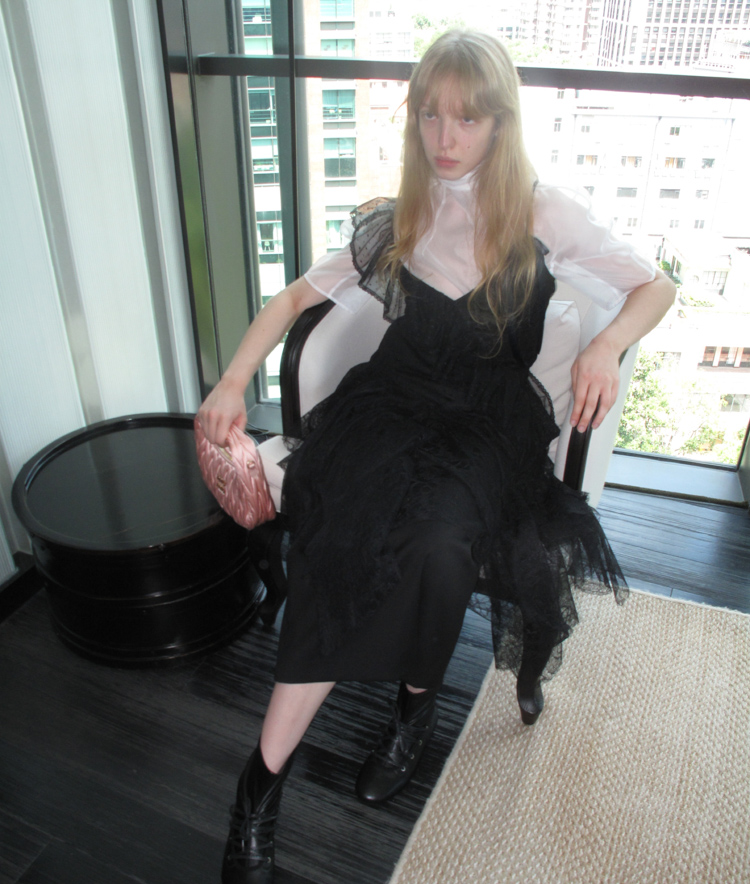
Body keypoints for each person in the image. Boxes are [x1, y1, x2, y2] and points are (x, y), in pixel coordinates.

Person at [198, 29, 675, 884]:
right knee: (337, 542)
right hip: (391, 403)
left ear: (500, 123)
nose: (446, 137)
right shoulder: (404, 214)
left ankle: (413, 711)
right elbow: (296, 297)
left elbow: (656, 283)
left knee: (436, 545)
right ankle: (257, 788)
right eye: (429, 115)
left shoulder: (540, 210)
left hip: (488, 421)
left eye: (467, 117)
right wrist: (234, 380)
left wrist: (606, 346)